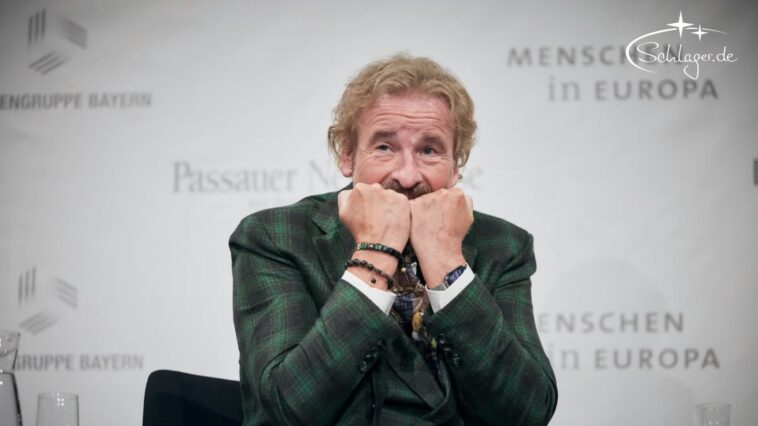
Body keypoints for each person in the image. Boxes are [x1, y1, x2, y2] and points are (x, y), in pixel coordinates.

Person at [230, 54, 557, 426]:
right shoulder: (276, 237)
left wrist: (447, 261)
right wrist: (375, 252)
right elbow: (286, 409)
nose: (406, 175)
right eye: (384, 147)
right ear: (347, 154)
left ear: (456, 164)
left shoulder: (503, 245)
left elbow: (528, 413)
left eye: (429, 150)